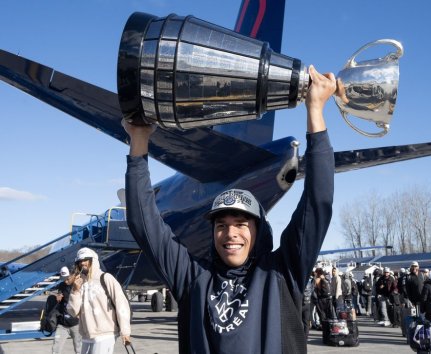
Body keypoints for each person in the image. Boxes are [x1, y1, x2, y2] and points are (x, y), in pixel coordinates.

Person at [124, 64, 345, 353]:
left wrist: (315, 111)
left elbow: (318, 202)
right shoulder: (193, 280)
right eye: (221, 224)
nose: (231, 233)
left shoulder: (280, 274)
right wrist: (139, 141)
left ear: (258, 230)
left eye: (242, 223)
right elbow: (145, 224)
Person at [67, 247, 132, 353]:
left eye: (86, 260)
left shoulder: (106, 278)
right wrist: (75, 291)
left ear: (93, 260)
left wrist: (125, 332)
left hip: (105, 333)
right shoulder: (79, 282)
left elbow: (121, 304)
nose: (82, 263)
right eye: (80, 261)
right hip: (86, 335)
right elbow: (72, 311)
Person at [52, 266, 81, 354]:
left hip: (76, 324)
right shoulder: (62, 285)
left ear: (73, 275)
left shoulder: (79, 285)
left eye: (67, 278)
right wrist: (58, 296)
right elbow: (60, 295)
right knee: (56, 348)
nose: (65, 281)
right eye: (63, 278)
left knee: (79, 349)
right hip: (62, 324)